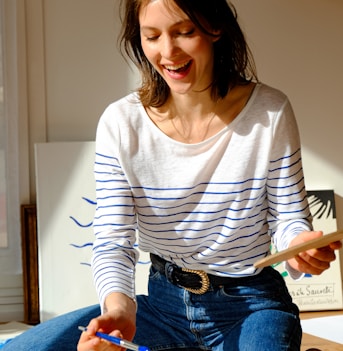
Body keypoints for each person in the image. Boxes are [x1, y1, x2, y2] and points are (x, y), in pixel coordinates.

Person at [3, 0, 341, 350]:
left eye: (184, 32)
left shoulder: (270, 113)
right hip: (161, 306)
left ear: (215, 28)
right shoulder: (121, 124)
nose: (167, 52)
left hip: (250, 307)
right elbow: (112, 241)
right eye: (152, 36)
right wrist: (120, 311)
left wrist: (299, 246)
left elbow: (289, 220)